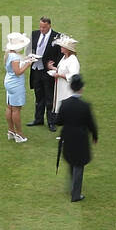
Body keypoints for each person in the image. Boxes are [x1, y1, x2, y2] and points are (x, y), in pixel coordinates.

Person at [57, 74, 97, 203]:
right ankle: (75, 194)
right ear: (81, 88)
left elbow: (58, 121)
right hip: (80, 139)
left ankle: (73, 186)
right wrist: (95, 135)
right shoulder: (85, 106)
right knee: (78, 165)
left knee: (71, 161)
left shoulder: (65, 104)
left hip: (68, 137)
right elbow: (91, 123)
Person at [2, 32, 33, 143]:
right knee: (16, 109)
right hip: (15, 84)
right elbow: (18, 72)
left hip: (9, 82)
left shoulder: (9, 53)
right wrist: (28, 64)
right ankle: (19, 134)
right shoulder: (14, 56)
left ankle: (11, 130)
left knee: (10, 106)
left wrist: (25, 60)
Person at [49, 34, 80, 130]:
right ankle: (66, 132)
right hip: (61, 88)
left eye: (63, 47)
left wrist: (58, 75)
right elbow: (62, 69)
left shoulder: (73, 60)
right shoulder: (64, 57)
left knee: (68, 111)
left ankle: (70, 132)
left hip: (67, 89)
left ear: (68, 49)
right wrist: (53, 68)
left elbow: (73, 75)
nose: (61, 48)